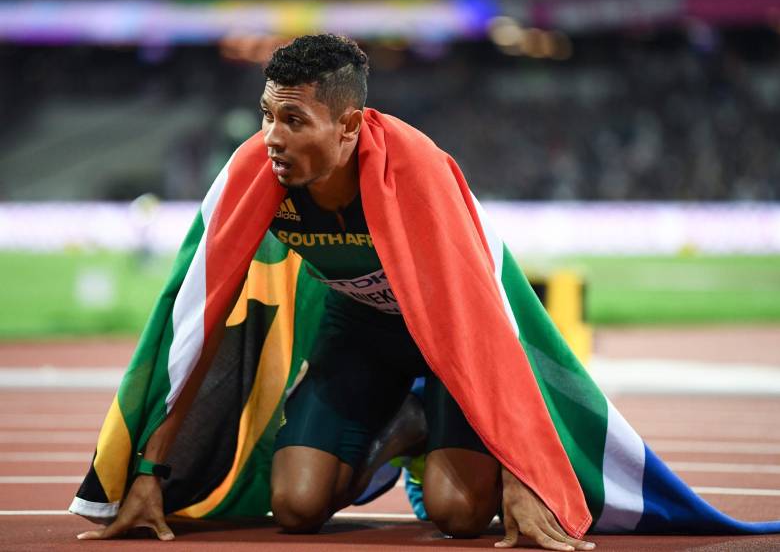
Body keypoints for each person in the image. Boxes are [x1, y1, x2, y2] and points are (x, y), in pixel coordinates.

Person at [77, 34, 596, 551]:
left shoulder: (416, 171)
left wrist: (523, 475)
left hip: (449, 343)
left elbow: (486, 323)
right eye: (267, 115)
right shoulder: (257, 168)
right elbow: (199, 320)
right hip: (360, 331)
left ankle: (427, 422)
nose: (273, 138)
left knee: (459, 516)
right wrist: (151, 469)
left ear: (349, 125)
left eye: (294, 121)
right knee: (295, 509)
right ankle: (402, 426)